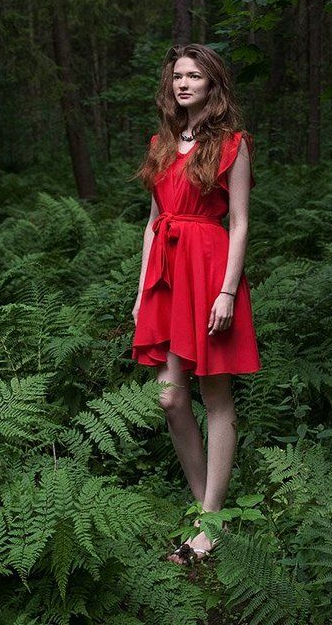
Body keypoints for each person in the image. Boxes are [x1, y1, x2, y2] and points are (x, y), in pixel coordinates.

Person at [131, 43, 261, 565]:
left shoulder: (233, 144)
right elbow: (151, 222)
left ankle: (208, 526)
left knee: (216, 397)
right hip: (167, 278)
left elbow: (241, 223)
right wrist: (141, 293)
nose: (185, 84)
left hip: (209, 273)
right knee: (168, 397)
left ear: (214, 85)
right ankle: (207, 510)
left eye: (196, 76)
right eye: (178, 76)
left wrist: (227, 290)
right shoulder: (161, 143)